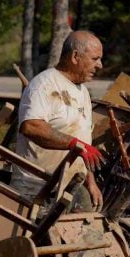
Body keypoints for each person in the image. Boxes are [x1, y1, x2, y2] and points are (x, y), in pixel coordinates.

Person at [11, 30, 105, 212]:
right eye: (95, 59)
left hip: (72, 187)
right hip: (37, 189)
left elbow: (84, 141)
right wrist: (74, 144)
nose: (100, 65)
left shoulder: (83, 91)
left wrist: (91, 182)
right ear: (76, 57)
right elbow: (31, 126)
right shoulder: (43, 84)